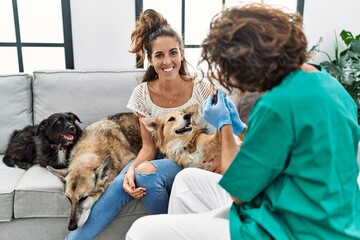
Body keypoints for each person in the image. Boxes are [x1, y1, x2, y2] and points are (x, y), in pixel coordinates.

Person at [126, 4, 360, 240]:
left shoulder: (277, 105)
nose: (241, 83)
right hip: (330, 218)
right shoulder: (332, 86)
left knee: (141, 231)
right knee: (187, 180)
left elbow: (238, 191)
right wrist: (240, 128)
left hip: (290, 229)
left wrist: (225, 126)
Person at [66, 9, 215, 240]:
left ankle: (170, 234)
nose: (167, 61)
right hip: (161, 158)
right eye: (159, 55)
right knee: (119, 184)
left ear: (182, 54)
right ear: (150, 59)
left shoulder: (202, 88)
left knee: (144, 174)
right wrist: (130, 171)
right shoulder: (141, 95)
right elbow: (148, 148)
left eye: (173, 53)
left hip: (192, 157)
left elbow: (218, 134)